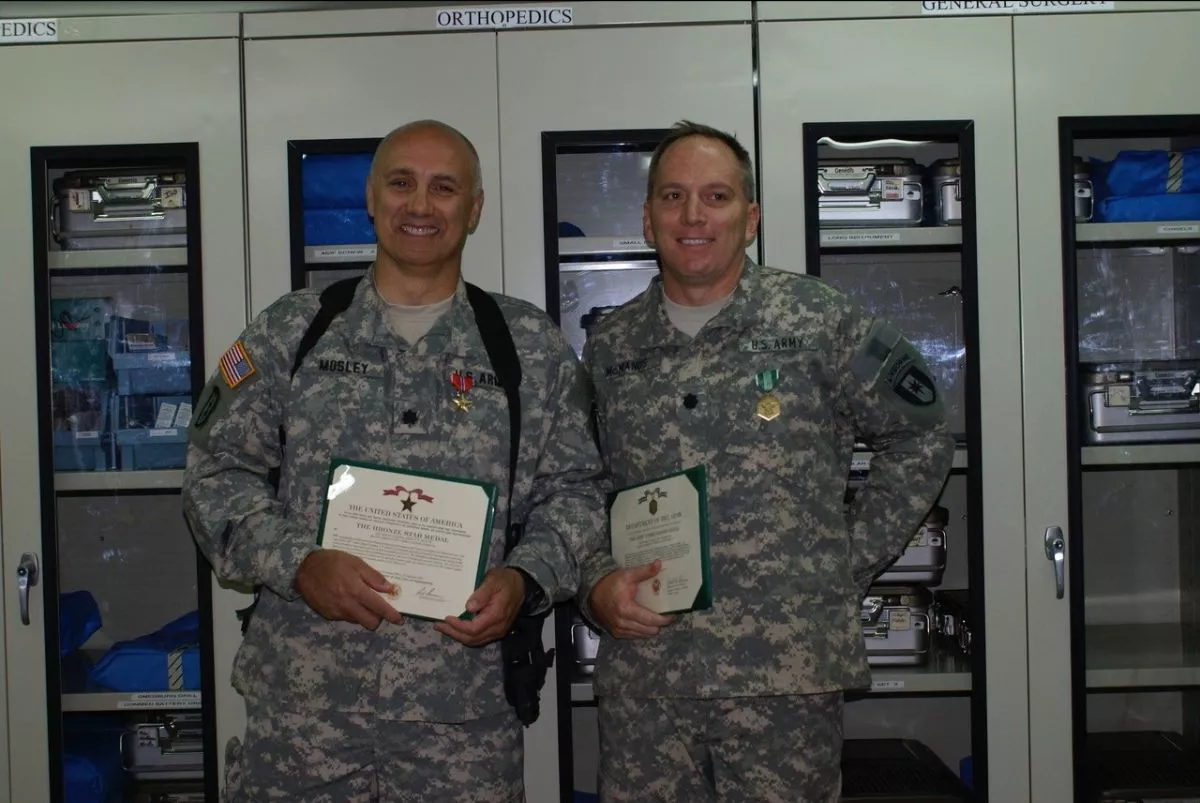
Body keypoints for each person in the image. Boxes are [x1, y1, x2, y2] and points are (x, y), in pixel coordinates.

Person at [182, 119, 608, 803]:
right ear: (371, 199)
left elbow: (580, 494)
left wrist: (527, 578)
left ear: (474, 210)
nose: (420, 205)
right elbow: (213, 473)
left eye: (445, 188)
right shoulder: (291, 331)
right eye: (401, 183)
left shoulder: (526, 346)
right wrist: (297, 562)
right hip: (304, 719)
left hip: (462, 722)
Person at [578, 120, 956, 802]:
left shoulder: (820, 319)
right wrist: (597, 579)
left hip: (784, 672)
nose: (693, 216)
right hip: (649, 674)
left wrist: (843, 560)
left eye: (716, 197)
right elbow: (584, 485)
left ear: (749, 217)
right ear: (647, 217)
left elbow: (923, 430)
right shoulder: (611, 343)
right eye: (673, 196)